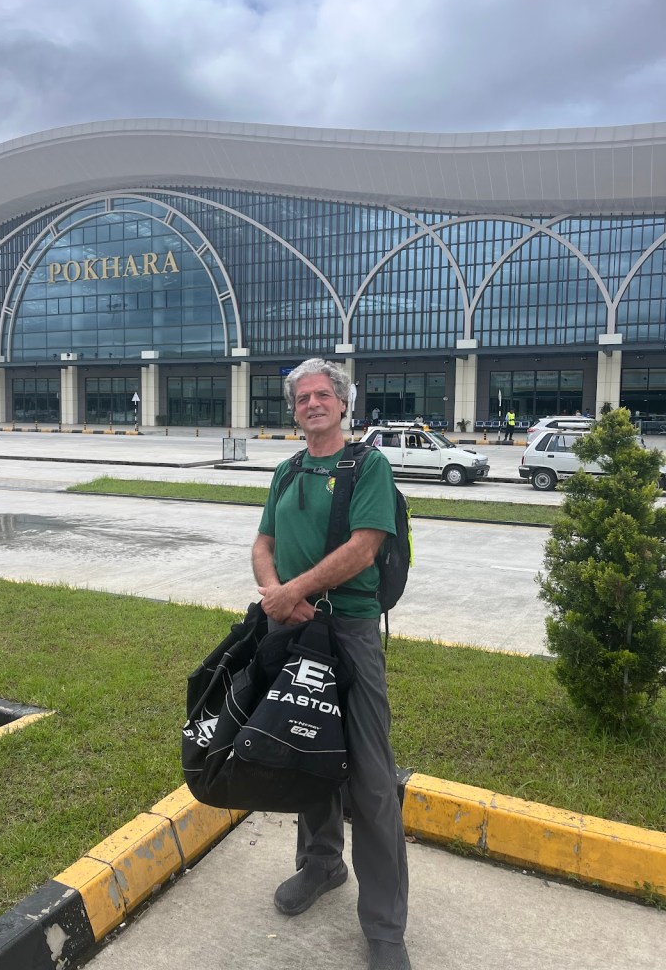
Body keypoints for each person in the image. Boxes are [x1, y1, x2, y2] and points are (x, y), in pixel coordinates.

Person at [251, 358, 410, 970]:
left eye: (323, 395)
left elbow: (364, 547)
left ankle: (386, 929)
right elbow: (263, 542)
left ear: (343, 403)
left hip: (349, 631)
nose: (312, 404)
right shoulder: (287, 470)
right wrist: (276, 594)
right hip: (290, 629)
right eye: (302, 398)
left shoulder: (369, 465)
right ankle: (321, 863)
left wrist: (295, 591)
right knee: (305, 751)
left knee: (371, 777)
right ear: (294, 411)